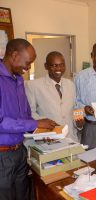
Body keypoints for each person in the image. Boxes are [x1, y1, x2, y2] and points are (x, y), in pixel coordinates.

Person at [0, 38, 56, 200]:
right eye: (28, 62)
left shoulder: (18, 80)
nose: (29, 67)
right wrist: (35, 123)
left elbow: (24, 115)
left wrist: (41, 129)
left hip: (19, 151)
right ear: (14, 55)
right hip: (2, 156)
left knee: (24, 195)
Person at [25, 51, 84, 142]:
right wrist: (45, 123)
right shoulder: (33, 85)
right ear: (46, 66)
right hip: (49, 139)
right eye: (54, 65)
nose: (58, 68)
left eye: (62, 65)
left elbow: (74, 110)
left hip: (71, 139)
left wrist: (79, 124)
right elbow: (30, 114)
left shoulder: (71, 84)